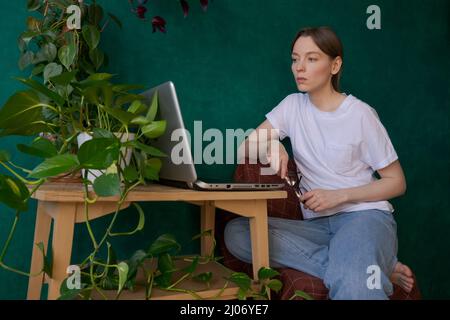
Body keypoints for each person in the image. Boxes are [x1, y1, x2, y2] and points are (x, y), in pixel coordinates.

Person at [225, 26, 414, 299]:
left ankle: (359, 268)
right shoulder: (292, 106)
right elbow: (243, 148)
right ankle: (375, 265)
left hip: (363, 217)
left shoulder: (361, 114)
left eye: (312, 59)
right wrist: (272, 144)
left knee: (353, 283)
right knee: (238, 234)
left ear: (335, 65)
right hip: (316, 227)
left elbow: (397, 182)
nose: (299, 67)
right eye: (295, 59)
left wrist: (339, 196)